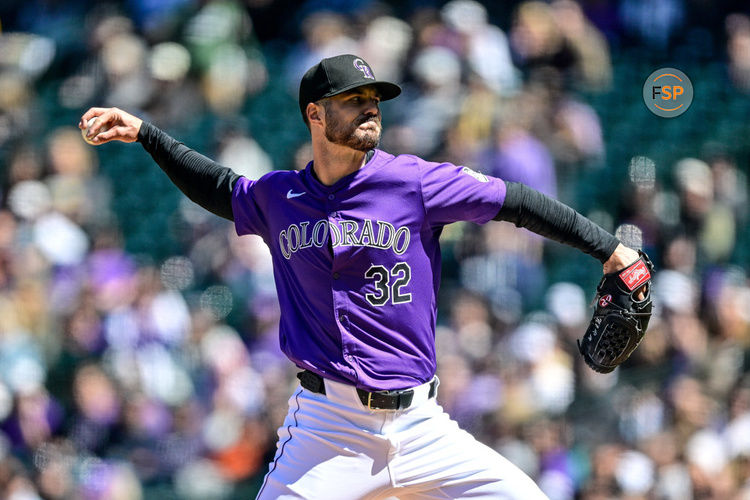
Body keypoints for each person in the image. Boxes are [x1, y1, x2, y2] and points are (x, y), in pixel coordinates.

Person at [80, 54, 640, 500]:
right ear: (315, 115)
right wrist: (146, 134)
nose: (370, 109)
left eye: (374, 100)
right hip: (328, 428)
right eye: (353, 101)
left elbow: (515, 202)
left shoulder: (413, 182)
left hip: (422, 424)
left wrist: (611, 250)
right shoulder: (280, 196)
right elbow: (221, 188)